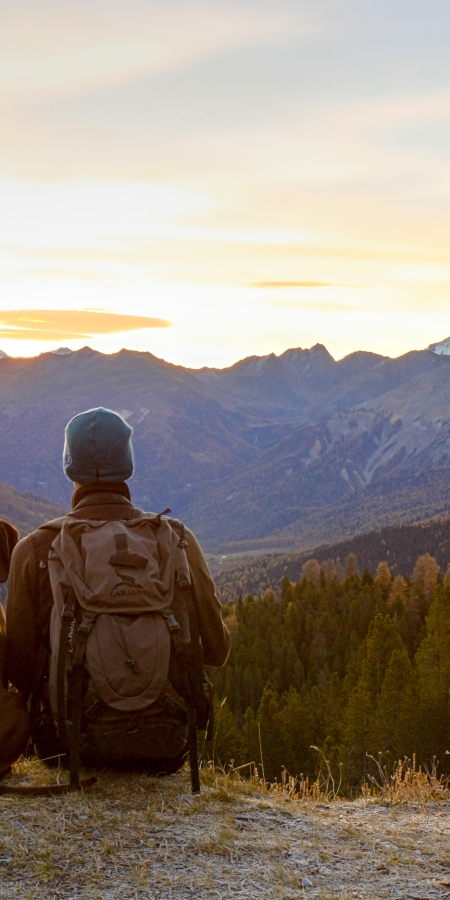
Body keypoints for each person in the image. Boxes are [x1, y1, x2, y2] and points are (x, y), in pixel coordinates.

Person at [6, 407, 230, 775]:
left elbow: (20, 670)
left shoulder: (34, 550)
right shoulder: (178, 539)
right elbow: (217, 651)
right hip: (168, 746)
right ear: (127, 466)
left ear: (69, 467)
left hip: (65, 750)